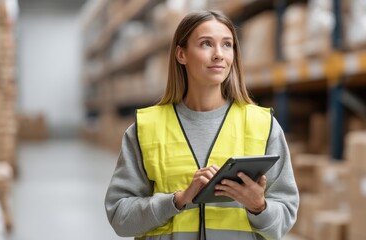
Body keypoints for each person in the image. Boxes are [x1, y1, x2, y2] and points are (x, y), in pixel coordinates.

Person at [105, 10, 299, 240]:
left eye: (227, 45)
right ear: (181, 54)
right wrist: (178, 200)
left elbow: (285, 217)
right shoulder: (146, 129)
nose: (219, 54)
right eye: (206, 44)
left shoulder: (262, 125)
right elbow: (120, 218)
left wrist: (259, 206)